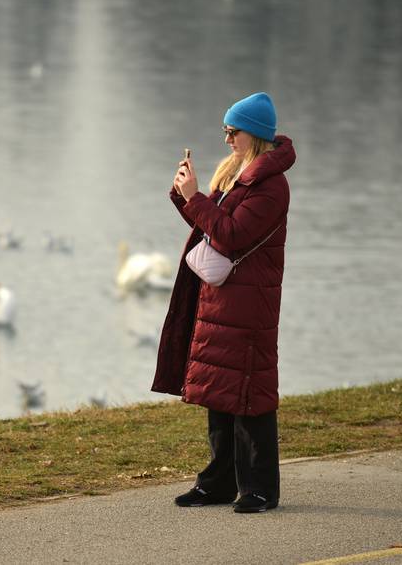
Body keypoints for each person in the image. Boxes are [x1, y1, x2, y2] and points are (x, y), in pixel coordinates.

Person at [151, 92, 296, 513]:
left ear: (254, 134)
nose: (227, 139)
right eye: (225, 131)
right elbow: (210, 230)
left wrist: (197, 198)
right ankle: (217, 484)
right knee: (219, 393)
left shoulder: (271, 186)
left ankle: (260, 490)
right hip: (219, 298)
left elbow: (232, 235)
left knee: (250, 395)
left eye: (233, 131)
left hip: (249, 303)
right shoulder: (238, 173)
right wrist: (185, 197)